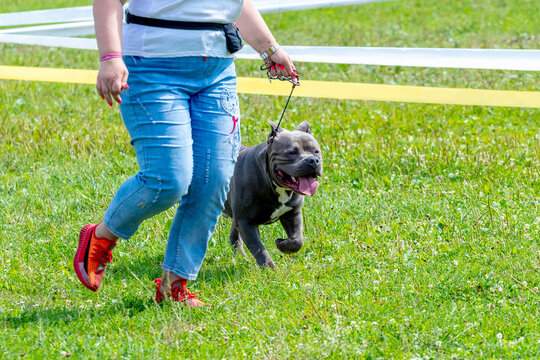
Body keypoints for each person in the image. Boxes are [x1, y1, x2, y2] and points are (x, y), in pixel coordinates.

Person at [73, 0, 298, 307]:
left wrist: (269, 49)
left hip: (217, 71)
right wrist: (110, 57)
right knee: (167, 180)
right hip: (151, 67)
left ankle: (174, 286)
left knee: (214, 180)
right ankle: (101, 236)